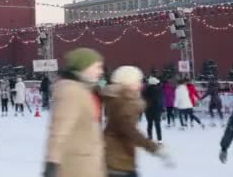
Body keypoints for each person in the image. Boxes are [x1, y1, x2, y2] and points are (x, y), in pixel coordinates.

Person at [42, 48, 105, 177]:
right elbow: (59, 130)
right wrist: (52, 163)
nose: (101, 72)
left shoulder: (82, 89)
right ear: (84, 67)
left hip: (86, 164)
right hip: (77, 167)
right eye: (97, 67)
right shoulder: (71, 91)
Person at [103, 66, 172, 177]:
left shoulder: (121, 99)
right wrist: (154, 148)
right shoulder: (122, 102)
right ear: (128, 82)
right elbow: (130, 131)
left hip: (120, 159)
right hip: (118, 162)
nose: (141, 84)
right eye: (138, 81)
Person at [142, 76, 163, 142]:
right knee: (157, 124)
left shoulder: (145, 90)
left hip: (148, 109)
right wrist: (161, 108)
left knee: (149, 123)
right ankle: (159, 139)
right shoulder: (159, 90)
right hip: (157, 109)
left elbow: (143, 99)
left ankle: (150, 137)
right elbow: (161, 100)